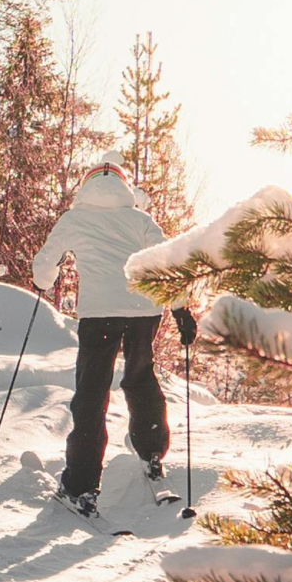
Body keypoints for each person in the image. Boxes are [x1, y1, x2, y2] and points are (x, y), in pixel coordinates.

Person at [31, 151, 197, 518]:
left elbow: (44, 267)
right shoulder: (139, 219)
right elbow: (169, 261)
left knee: (92, 394)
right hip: (143, 313)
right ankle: (152, 455)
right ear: (124, 186)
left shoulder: (74, 219)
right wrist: (181, 308)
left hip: (99, 316)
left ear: (87, 184)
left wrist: (46, 279)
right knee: (140, 378)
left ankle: (81, 486)